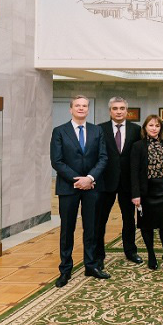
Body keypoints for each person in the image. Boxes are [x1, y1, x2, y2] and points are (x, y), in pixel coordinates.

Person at [50, 95, 109, 288]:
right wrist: (78, 180)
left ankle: (91, 265)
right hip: (69, 187)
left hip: (92, 187)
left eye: (84, 106)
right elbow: (57, 161)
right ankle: (65, 270)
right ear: (71, 109)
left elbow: (103, 158)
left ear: (88, 109)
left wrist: (89, 178)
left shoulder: (97, 130)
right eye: (77, 105)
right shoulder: (59, 131)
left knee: (91, 228)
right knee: (67, 230)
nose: (81, 108)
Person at [98, 97, 142, 267]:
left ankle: (130, 251)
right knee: (100, 220)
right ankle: (98, 254)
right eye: (115, 108)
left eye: (122, 108)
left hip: (127, 183)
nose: (118, 111)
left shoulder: (136, 130)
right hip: (105, 182)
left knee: (129, 220)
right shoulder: (100, 129)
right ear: (110, 111)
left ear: (126, 110)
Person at [130, 115, 163, 270]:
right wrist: (135, 194)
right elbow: (134, 172)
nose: (154, 128)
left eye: (157, 126)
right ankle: (151, 255)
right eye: (151, 125)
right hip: (146, 190)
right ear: (145, 128)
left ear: (160, 129)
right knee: (147, 225)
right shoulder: (138, 146)